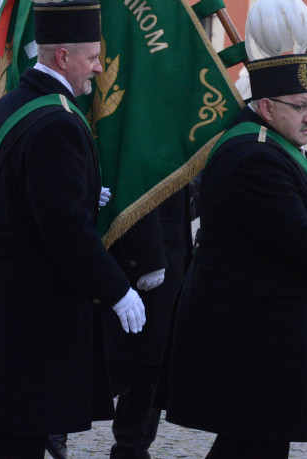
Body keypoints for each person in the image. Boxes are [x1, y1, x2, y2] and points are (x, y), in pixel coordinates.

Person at [0, 0, 145, 458]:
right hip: (30, 303)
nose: (100, 68)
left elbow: (24, 197)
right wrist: (117, 288)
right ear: (63, 54)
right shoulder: (56, 121)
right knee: (21, 438)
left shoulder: (13, 103)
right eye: (94, 58)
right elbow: (63, 229)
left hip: (6, 295)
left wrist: (81, 194)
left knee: (14, 436)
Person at [165, 53, 307, 459]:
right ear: (267, 107)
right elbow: (303, 240)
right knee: (253, 442)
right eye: (300, 106)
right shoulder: (253, 156)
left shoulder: (277, 147)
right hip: (247, 332)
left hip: (264, 328)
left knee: (255, 443)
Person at [98, 186, 194, 459]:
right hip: (149, 255)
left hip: (171, 248)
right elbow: (140, 180)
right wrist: (148, 256)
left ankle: (132, 449)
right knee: (133, 360)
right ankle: (59, 415)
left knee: (155, 362)